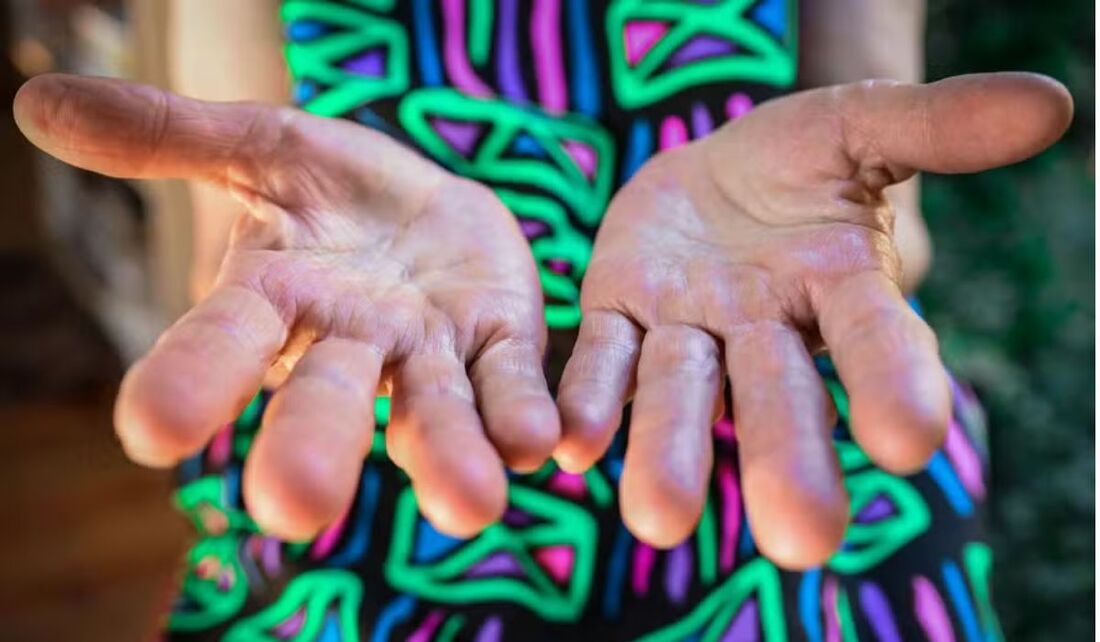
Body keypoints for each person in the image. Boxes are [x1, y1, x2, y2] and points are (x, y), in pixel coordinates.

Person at [13, 0, 1072, 639]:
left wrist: (848, 227)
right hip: (383, 386)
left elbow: (887, 202)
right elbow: (232, 228)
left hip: (766, 349)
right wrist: (296, 259)